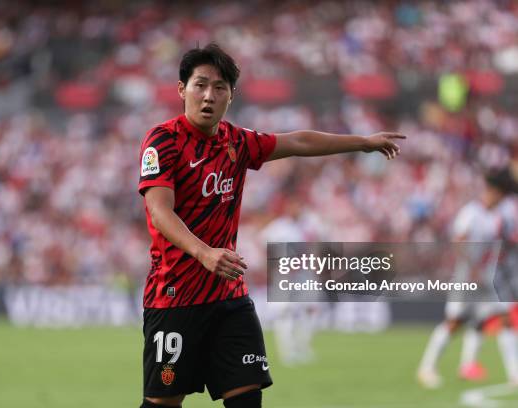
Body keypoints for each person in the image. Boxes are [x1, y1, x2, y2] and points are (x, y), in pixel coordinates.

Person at [137, 43, 405, 408]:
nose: (208, 96)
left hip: (228, 298)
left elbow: (297, 141)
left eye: (220, 88)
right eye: (200, 85)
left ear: (231, 96)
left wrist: (362, 143)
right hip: (174, 298)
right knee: (163, 404)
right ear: (182, 89)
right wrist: (203, 253)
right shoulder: (163, 140)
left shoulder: (237, 142)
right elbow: (159, 210)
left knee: (247, 399)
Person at [417, 168, 518, 389]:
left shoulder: (498, 216)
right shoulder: (471, 212)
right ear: (495, 192)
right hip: (467, 276)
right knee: (455, 322)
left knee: (505, 319)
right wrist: (472, 268)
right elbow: (459, 241)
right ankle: (426, 367)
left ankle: (514, 375)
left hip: (489, 277)